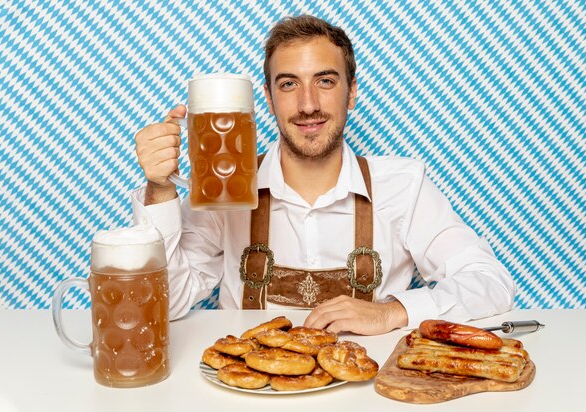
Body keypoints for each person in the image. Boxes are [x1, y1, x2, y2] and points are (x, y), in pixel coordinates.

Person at [132, 15, 515, 336]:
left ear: (351, 93)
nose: (308, 104)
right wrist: (160, 189)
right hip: (248, 389)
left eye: (326, 81)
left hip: (369, 391)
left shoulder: (403, 186)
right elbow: (165, 302)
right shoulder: (225, 192)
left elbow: (490, 282)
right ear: (268, 98)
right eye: (288, 84)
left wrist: (390, 312)